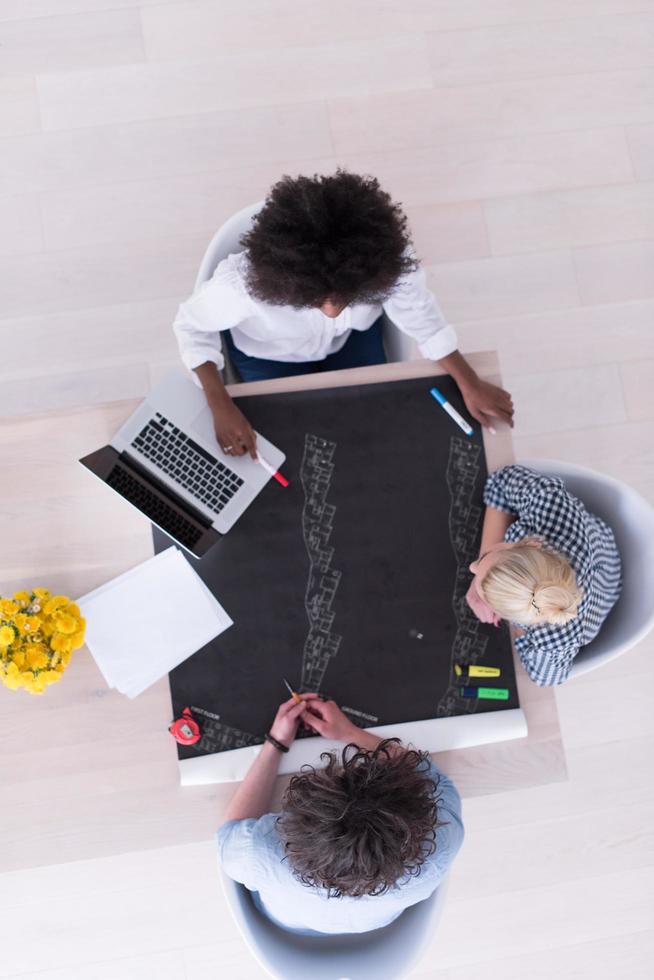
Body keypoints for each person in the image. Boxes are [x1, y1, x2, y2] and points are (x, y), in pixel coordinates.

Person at [174, 170, 514, 458]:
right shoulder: (240, 285)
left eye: (348, 296)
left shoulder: (385, 259)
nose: (334, 312)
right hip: (269, 356)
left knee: (373, 432)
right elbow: (191, 326)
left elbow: (418, 313)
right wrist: (218, 403)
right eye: (318, 299)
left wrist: (468, 382)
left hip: (350, 342)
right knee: (290, 445)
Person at [217, 695, 464, 935]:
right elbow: (424, 773)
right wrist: (348, 732)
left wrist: (275, 744)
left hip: (295, 924)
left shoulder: (262, 853)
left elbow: (229, 834)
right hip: (375, 923)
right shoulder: (443, 839)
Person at [466, 464, 622, 685]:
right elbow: (500, 482)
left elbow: (544, 678)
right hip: (606, 556)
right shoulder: (551, 507)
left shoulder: (553, 640)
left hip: (608, 589)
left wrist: (517, 619)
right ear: (530, 543)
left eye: (481, 560)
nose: (472, 567)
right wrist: (485, 582)